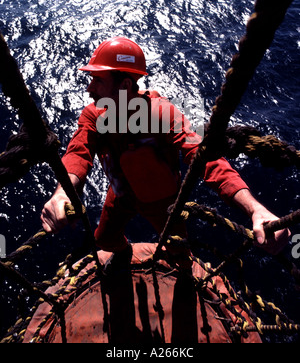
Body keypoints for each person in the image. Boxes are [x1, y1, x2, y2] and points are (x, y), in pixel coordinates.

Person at [41, 37, 290, 269]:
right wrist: (64, 193)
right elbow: (78, 152)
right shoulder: (94, 115)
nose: (89, 88)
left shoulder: (164, 114)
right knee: (105, 240)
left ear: (125, 84)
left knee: (178, 250)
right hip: (120, 196)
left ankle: (182, 271)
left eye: (98, 80)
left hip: (163, 202)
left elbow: (206, 158)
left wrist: (255, 209)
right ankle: (123, 253)